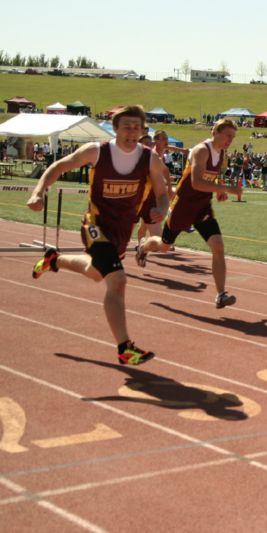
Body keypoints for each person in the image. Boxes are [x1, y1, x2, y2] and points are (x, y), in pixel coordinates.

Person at [27, 105, 170, 365]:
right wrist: (39, 192)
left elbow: (162, 194)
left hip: (122, 229)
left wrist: (161, 210)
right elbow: (58, 167)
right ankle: (125, 348)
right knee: (117, 281)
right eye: (126, 126)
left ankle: (54, 260)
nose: (131, 132)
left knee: (96, 273)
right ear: (115, 129)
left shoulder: (149, 159)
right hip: (95, 224)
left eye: (136, 127)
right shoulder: (97, 151)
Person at [136, 118, 242, 309]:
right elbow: (196, 182)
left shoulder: (222, 153)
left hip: (202, 207)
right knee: (164, 246)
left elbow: (210, 177)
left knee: (218, 246)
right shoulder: (201, 150)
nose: (230, 140)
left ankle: (221, 294)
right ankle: (143, 246)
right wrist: (226, 188)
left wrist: (218, 190)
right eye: (227, 135)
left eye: (232, 137)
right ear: (215, 133)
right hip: (183, 207)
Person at [135, 131, 174, 243]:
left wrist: (168, 185)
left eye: (167, 138)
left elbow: (164, 170)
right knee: (139, 227)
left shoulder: (154, 156)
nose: (166, 141)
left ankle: (142, 246)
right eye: (164, 138)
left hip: (151, 197)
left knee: (148, 226)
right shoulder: (139, 156)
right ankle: (141, 244)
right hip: (135, 199)